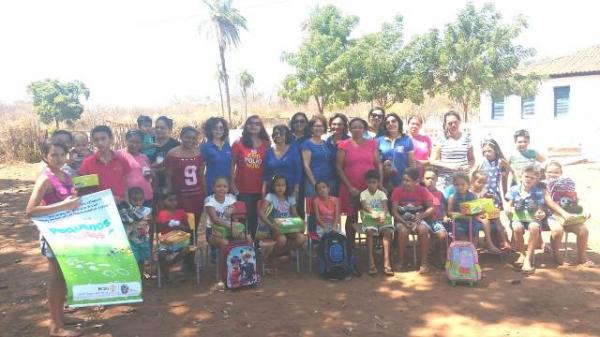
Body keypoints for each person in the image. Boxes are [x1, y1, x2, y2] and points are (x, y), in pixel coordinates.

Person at [26, 140, 83, 337]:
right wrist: (64, 206)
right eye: (53, 155)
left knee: (65, 275)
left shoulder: (66, 175)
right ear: (45, 157)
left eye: (61, 154)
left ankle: (62, 317)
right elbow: (31, 210)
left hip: (67, 233)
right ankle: (56, 326)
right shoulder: (45, 179)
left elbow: (68, 200)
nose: (58, 158)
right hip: (52, 235)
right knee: (57, 278)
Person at [505, 165, 579, 273]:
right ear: (521, 177)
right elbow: (508, 204)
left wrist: (541, 213)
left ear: (536, 180)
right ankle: (522, 254)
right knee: (516, 227)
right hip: (518, 218)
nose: (528, 179)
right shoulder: (514, 189)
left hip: (532, 218)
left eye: (532, 178)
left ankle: (528, 259)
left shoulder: (538, 192)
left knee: (534, 227)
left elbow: (540, 209)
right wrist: (507, 209)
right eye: (526, 176)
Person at [336, 117, 382, 256]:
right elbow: (338, 167)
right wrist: (350, 186)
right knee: (351, 218)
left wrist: (379, 183)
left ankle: (373, 248)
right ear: (349, 129)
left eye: (360, 127)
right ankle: (351, 248)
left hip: (370, 188)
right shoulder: (343, 145)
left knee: (372, 216)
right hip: (350, 188)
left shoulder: (372, 144)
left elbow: (377, 164)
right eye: (354, 127)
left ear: (364, 129)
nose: (357, 129)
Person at [543, 161, 593, 267]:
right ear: (544, 173)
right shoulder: (543, 185)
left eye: (556, 172)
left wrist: (584, 210)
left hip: (568, 214)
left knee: (583, 230)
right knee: (558, 230)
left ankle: (582, 257)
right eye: (549, 172)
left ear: (561, 173)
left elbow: (575, 199)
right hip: (550, 215)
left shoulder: (567, 184)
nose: (553, 174)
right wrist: (564, 213)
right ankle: (557, 255)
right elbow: (549, 202)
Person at [391, 167, 436, 273]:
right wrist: (403, 221)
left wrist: (421, 215)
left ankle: (424, 262)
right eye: (403, 180)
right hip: (402, 219)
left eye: (408, 180)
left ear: (416, 181)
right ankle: (401, 260)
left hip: (417, 219)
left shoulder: (422, 190)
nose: (405, 183)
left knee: (423, 230)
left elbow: (432, 207)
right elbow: (394, 211)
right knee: (402, 231)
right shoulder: (397, 191)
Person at [231, 115, 270, 238]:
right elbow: (231, 164)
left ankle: (256, 243)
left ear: (261, 127)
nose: (253, 126)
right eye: (250, 123)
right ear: (246, 126)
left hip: (261, 187)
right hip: (243, 188)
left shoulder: (266, 144)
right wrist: (232, 184)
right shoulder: (238, 143)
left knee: (258, 217)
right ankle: (244, 243)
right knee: (244, 217)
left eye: (257, 123)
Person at [258, 176, 305, 273]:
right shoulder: (270, 196)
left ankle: (271, 255)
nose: (280, 188)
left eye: (283, 185)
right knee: (282, 240)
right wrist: (271, 226)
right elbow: (261, 213)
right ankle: (281, 255)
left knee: (301, 238)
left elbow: (294, 214)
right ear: (273, 186)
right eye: (278, 185)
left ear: (287, 187)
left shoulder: (290, 198)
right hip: (274, 228)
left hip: (289, 227)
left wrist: (301, 223)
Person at [204, 177, 249, 273]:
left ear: (228, 188)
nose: (221, 189)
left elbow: (235, 217)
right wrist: (231, 226)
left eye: (224, 186)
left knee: (246, 237)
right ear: (213, 188)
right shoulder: (209, 201)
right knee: (224, 243)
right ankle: (223, 270)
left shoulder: (231, 199)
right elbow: (215, 220)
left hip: (228, 230)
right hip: (213, 232)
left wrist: (232, 215)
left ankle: (242, 265)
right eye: (218, 186)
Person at [79, 125, 130, 202]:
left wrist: (127, 202)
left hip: (121, 204)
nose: (100, 143)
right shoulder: (87, 163)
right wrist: (107, 199)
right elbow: (85, 190)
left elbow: (126, 183)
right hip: (100, 207)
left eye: (103, 139)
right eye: (96, 140)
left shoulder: (121, 159)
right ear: (93, 142)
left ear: (111, 139)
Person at [430, 111, 475, 193]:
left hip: (462, 181)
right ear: (446, 124)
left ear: (460, 122)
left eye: (455, 122)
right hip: (445, 182)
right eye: (450, 123)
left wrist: (467, 167)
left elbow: (472, 159)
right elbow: (433, 161)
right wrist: (450, 166)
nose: (453, 125)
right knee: (446, 204)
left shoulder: (467, 138)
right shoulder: (440, 138)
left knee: (462, 205)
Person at [360, 170, 394, 276]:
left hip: (382, 218)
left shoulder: (381, 193)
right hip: (369, 217)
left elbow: (385, 206)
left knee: (387, 232)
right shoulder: (363, 194)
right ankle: (371, 261)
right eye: (369, 182)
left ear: (378, 183)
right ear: (366, 183)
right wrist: (372, 212)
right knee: (370, 233)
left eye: (374, 182)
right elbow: (364, 206)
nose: (372, 184)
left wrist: (383, 214)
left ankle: (387, 262)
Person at [165, 127, 205, 217]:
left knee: (195, 223)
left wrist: (205, 193)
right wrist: (170, 195)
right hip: (180, 196)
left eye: (193, 138)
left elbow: (201, 176)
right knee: (183, 225)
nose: (190, 140)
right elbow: (168, 177)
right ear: (181, 137)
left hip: (197, 195)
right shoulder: (172, 154)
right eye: (187, 137)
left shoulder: (198, 154)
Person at [470, 170, 511, 253]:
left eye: (484, 183)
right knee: (485, 220)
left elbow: (485, 203)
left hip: (482, 211)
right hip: (473, 214)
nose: (482, 185)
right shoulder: (469, 192)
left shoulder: (484, 190)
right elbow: (470, 207)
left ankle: (504, 241)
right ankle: (489, 243)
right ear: (472, 181)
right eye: (479, 182)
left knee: (496, 216)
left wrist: (489, 198)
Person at [155, 192, 192, 282]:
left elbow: (188, 228)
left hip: (180, 240)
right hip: (166, 242)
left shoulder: (181, 212)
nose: (173, 202)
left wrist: (181, 227)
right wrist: (167, 224)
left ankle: (169, 265)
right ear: (164, 201)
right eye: (170, 200)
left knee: (186, 250)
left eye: (175, 200)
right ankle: (167, 277)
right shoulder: (161, 214)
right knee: (161, 254)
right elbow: (158, 229)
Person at [118, 187, 152, 276]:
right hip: (132, 240)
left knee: (142, 259)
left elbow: (150, 221)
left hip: (144, 239)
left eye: (140, 199)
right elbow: (128, 219)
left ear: (144, 199)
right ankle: (135, 277)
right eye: (134, 199)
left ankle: (141, 276)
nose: (138, 202)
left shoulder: (146, 210)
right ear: (129, 199)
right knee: (134, 260)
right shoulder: (126, 212)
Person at [301, 115, 337, 197]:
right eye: (316, 126)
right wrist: (316, 185)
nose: (319, 128)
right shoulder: (307, 144)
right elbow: (306, 166)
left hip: (329, 182)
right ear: (311, 128)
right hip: (314, 182)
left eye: (321, 126)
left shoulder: (326, 143)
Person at [377, 113, 414, 188]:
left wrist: (412, 180)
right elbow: (377, 163)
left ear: (399, 123)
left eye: (393, 121)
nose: (391, 124)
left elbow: (411, 163)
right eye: (387, 123)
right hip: (384, 182)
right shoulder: (379, 141)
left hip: (402, 182)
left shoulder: (407, 140)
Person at [263, 125, 302, 197]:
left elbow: (298, 171)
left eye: (281, 133)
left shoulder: (293, 150)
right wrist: (263, 190)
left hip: (290, 190)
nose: (278, 135)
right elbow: (266, 174)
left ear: (286, 135)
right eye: (276, 134)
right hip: (273, 191)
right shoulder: (269, 151)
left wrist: (296, 190)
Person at [421, 167, 449, 266]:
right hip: (424, 221)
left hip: (438, 221)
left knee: (443, 236)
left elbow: (443, 208)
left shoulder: (440, 194)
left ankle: (433, 253)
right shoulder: (420, 193)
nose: (430, 181)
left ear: (437, 179)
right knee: (426, 234)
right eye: (427, 178)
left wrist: (445, 216)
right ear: (423, 179)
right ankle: (425, 256)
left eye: (432, 178)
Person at [119, 130, 153, 206]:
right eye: (131, 142)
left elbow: (149, 177)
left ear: (141, 143)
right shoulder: (119, 155)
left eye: (138, 142)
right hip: (130, 199)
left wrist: (150, 175)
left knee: (147, 218)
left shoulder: (144, 157)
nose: (134, 145)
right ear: (126, 141)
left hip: (146, 197)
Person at [149, 116, 180, 196]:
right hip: (149, 183)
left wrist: (153, 170)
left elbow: (176, 166)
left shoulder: (175, 145)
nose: (158, 130)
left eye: (162, 128)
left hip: (169, 184)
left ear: (169, 129)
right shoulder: (149, 142)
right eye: (157, 127)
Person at [201, 117, 232, 196]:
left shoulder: (228, 146)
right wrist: (204, 188)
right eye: (215, 128)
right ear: (210, 130)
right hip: (212, 186)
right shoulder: (205, 147)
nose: (218, 131)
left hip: (227, 186)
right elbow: (201, 172)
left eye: (221, 128)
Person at [477, 138, 510, 208]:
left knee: (495, 214)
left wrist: (505, 195)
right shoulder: (482, 163)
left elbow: (505, 179)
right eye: (484, 151)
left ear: (496, 150)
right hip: (484, 192)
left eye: (489, 151)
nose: (486, 154)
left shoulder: (500, 162)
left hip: (496, 193)